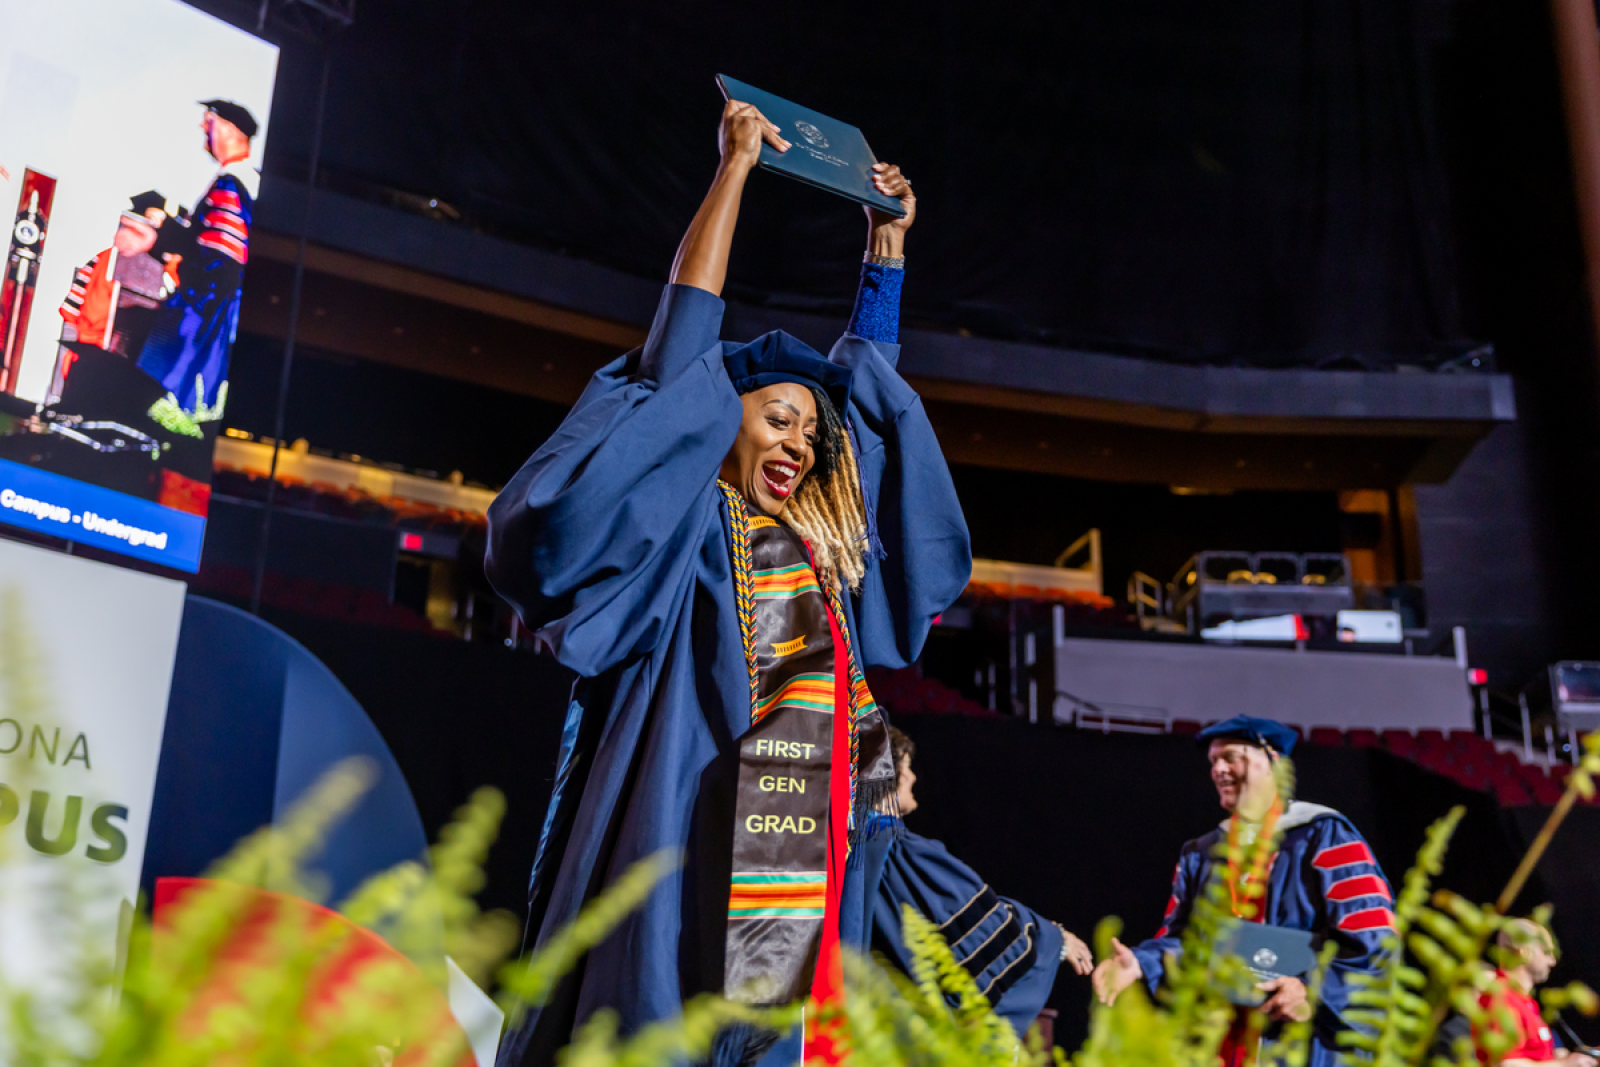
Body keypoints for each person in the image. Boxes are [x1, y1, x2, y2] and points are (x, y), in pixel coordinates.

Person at [485, 99, 970, 1067]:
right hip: (677, 813)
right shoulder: (686, 524)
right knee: (652, 1015)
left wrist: (885, 253)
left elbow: (868, 420)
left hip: (789, 851)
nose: (797, 438)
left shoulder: (826, 562)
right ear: (718, 420)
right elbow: (677, 362)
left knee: (765, 1033)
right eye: (776, 416)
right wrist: (735, 168)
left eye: (807, 431)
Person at [1091, 716, 1394, 1067]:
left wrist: (1311, 991)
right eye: (1213, 761)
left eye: (1231, 757)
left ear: (1274, 763)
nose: (1218, 769)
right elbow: (1185, 942)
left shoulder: (1325, 837)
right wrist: (1140, 964)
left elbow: (1374, 940)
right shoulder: (1201, 853)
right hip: (1224, 1041)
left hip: (1304, 1042)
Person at [859, 726, 1092, 1039]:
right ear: (887, 776)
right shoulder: (901, 852)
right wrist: (1053, 938)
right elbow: (982, 928)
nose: (913, 777)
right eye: (906, 767)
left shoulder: (852, 848)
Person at [137, 99, 258, 425]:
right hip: (208, 305)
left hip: (200, 313)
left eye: (209, 121)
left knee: (159, 399)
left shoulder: (233, 185)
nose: (203, 128)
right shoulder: (237, 182)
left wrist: (164, 233)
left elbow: (218, 261)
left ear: (231, 130)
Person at [1441, 918, 1598, 1067]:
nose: (1552, 961)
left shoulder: (1525, 1002)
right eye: (1546, 952)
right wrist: (1564, 1064)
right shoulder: (1501, 998)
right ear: (1525, 952)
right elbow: (1505, 1064)